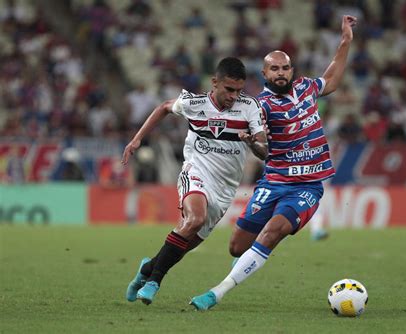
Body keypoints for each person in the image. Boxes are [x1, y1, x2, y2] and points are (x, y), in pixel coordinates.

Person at [190, 15, 357, 310]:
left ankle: (217, 292)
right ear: (265, 74)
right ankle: (261, 248)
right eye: (274, 69)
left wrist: (345, 42)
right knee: (236, 247)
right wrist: (253, 143)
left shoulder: (307, 88)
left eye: (285, 67)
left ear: (292, 70)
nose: (281, 73)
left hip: (307, 186)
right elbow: (263, 150)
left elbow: (331, 77)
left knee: (273, 231)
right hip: (274, 182)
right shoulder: (260, 107)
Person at [122, 57, 268, 305]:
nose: (234, 96)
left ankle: (147, 269)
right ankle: (155, 281)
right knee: (194, 219)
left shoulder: (250, 107)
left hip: (225, 188)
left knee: (185, 244)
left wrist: (252, 142)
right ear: (214, 83)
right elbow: (164, 108)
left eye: (238, 91)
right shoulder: (194, 103)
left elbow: (264, 151)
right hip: (196, 171)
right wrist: (137, 139)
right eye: (229, 89)